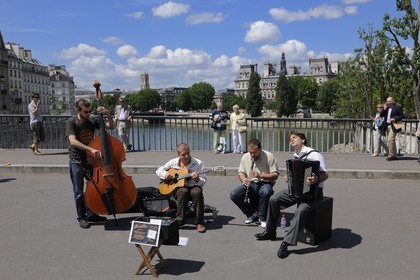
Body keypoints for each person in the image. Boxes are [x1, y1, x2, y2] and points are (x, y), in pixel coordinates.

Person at [255, 132, 328, 259]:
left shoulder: (314, 154)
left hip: (313, 193)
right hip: (297, 191)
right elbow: (296, 173)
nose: (291, 140)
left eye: (294, 137)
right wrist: (290, 177)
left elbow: (325, 174)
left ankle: (286, 243)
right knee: (274, 199)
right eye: (289, 139)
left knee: (301, 210)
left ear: (303, 140)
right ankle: (270, 231)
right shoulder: (296, 155)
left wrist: (316, 179)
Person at [66, 99, 115, 229]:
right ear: (78, 110)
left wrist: (108, 114)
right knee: (79, 191)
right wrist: (91, 149)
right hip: (76, 160)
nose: (88, 114)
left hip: (90, 160)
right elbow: (73, 141)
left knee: (94, 188)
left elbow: (111, 127)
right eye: (85, 112)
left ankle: (92, 213)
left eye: (90, 111)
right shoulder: (71, 122)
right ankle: (82, 217)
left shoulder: (92, 120)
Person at [156, 143, 207, 233]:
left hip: (193, 185)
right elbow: (159, 170)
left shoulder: (198, 163)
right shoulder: (173, 162)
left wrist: (197, 179)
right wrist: (166, 174)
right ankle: (180, 220)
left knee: (197, 192)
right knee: (183, 192)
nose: (186, 156)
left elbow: (202, 182)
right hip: (179, 188)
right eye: (183, 155)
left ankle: (199, 222)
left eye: (188, 153)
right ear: (178, 154)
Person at [230, 139, 279, 228]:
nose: (252, 155)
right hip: (251, 182)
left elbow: (275, 175)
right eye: (250, 152)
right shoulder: (245, 157)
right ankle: (252, 214)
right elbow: (241, 172)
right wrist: (243, 179)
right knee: (234, 194)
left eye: (255, 152)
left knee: (265, 191)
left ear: (260, 149)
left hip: (265, 182)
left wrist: (260, 175)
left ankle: (262, 217)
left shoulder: (269, 156)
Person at [380, 97, 404, 161]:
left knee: (390, 139)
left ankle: (390, 155)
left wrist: (395, 119)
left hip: (394, 125)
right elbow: (381, 115)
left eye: (390, 101)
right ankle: (395, 155)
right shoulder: (386, 108)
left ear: (393, 101)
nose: (388, 103)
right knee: (392, 140)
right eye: (387, 101)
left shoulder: (398, 107)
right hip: (387, 125)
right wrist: (384, 109)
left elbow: (402, 116)